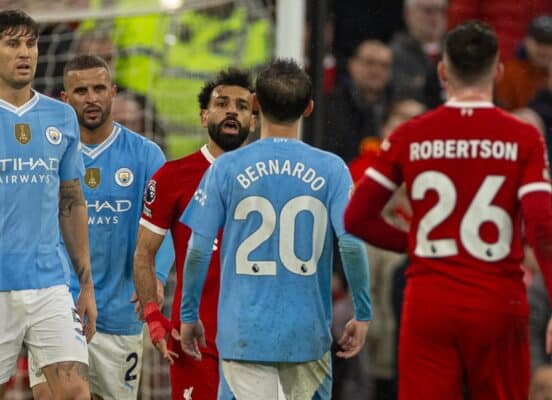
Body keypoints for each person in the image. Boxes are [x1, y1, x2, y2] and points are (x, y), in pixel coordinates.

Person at [344, 21, 552, 399]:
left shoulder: (410, 134)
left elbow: (356, 217)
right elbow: (542, 223)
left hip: (430, 300)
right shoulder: (524, 137)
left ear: (442, 70)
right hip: (498, 301)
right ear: (498, 70)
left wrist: (413, 243)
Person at [179, 59, 372, 399]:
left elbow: (197, 250)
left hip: (244, 335)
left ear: (254, 104)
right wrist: (363, 311)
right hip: (306, 337)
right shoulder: (333, 169)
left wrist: (188, 314)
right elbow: (352, 245)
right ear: (309, 108)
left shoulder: (226, 167)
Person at [0, 9, 96, 400]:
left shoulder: (61, 115)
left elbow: (71, 203)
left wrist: (85, 285)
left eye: (30, 44)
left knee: (75, 393)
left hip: (50, 284)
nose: (25, 53)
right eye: (13, 44)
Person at [26, 54, 174, 399]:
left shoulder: (146, 155)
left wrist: (158, 275)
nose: (91, 98)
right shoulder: (44, 155)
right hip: (56, 308)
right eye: (80, 90)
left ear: (113, 92)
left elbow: (162, 224)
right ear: (65, 98)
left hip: (121, 311)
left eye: (98, 88)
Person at [133, 68, 256, 400]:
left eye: (243, 106)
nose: (232, 111)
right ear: (204, 116)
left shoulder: (268, 178)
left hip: (258, 338)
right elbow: (144, 253)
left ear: (254, 122)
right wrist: (152, 314)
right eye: (222, 103)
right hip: (195, 338)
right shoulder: (172, 177)